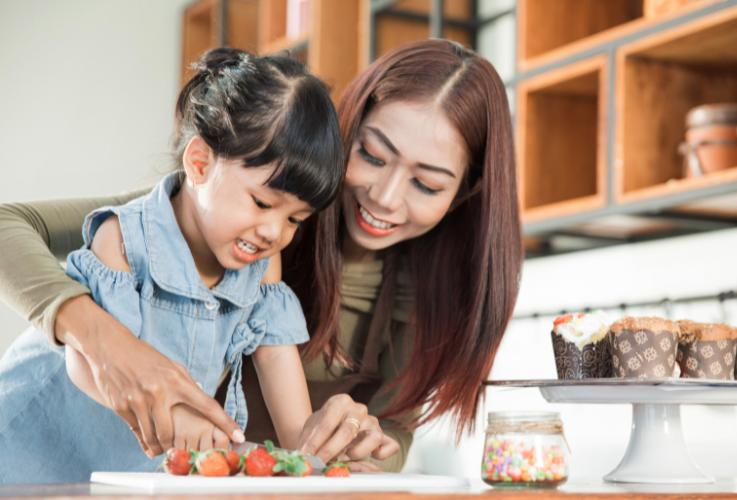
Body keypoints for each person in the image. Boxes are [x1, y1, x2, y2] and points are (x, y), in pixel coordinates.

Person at [0, 39, 522, 474]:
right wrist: (109, 343)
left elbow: (384, 422)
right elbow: (10, 226)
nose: (385, 197)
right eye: (371, 155)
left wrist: (342, 455)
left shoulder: (279, 241)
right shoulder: (222, 205)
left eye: (427, 184)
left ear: (466, 193)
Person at [0, 47, 344, 483]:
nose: (275, 232)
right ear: (199, 163)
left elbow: (283, 379)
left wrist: (313, 454)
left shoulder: (263, 266)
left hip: (121, 474)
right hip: (23, 451)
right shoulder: (124, 237)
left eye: (295, 219)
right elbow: (86, 364)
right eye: (261, 203)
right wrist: (179, 419)